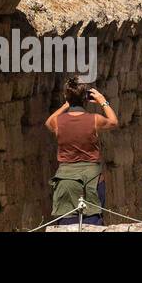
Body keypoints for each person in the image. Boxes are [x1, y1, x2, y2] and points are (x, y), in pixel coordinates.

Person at [45, 79, 118, 225]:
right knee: (92, 222)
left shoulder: (58, 122)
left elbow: (48, 122)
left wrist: (66, 105)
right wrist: (102, 100)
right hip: (91, 178)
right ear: (86, 98)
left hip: (66, 179)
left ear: (67, 97)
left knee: (67, 223)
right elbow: (114, 122)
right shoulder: (95, 119)